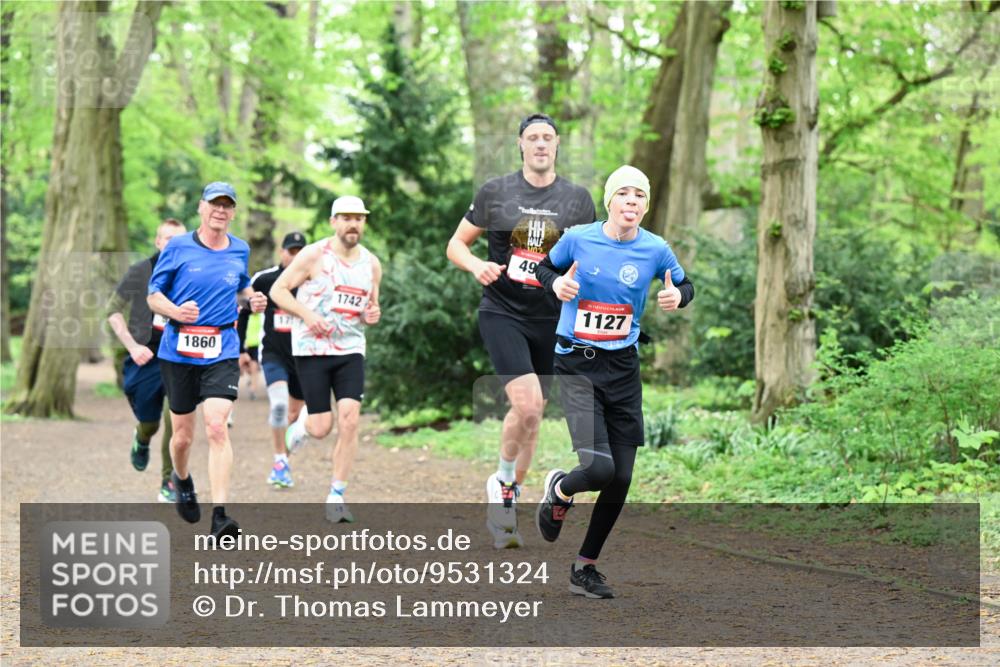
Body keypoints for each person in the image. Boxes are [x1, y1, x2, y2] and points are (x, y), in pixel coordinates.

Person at [532, 165, 695, 599]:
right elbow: (543, 270)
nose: (632, 201)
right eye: (623, 193)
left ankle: (584, 568)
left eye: (639, 195)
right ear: (610, 201)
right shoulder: (579, 238)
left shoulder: (656, 249)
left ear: (645, 205)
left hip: (623, 368)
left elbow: (685, 284)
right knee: (599, 469)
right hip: (577, 364)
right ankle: (560, 489)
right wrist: (558, 285)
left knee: (620, 477)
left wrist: (679, 295)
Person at [446, 112, 596, 548]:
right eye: (533, 137)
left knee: (532, 417)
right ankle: (504, 482)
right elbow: (456, 243)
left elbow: (586, 255)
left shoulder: (577, 199)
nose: (541, 144)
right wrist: (477, 265)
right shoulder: (496, 192)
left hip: (553, 316)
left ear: (557, 144)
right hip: (503, 311)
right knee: (528, 406)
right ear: (521, 145)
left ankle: (506, 501)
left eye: (548, 137)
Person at [147, 182, 267, 539]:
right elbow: (154, 296)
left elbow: (241, 285)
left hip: (222, 347)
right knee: (182, 438)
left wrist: (251, 299)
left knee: (216, 426)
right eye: (215, 204)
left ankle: (220, 515)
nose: (221, 210)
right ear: (201, 207)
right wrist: (176, 311)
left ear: (233, 212)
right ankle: (181, 479)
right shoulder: (178, 247)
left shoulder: (239, 249)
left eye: (227, 205)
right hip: (179, 351)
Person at [270, 196, 382, 523]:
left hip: (349, 349)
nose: (353, 224)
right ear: (333, 222)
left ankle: (336, 494)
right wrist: (306, 315)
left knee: (349, 419)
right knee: (322, 428)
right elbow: (279, 290)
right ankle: (303, 424)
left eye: (359, 218)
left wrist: (372, 314)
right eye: (346, 218)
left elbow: (370, 307)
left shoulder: (371, 264)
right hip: (312, 349)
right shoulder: (313, 255)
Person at [107, 218, 186, 502]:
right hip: (145, 357)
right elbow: (113, 311)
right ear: (158, 242)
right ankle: (142, 438)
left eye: (179, 240)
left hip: (179, 356)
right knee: (151, 422)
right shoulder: (140, 272)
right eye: (167, 239)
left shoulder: (191, 272)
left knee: (175, 420)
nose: (172, 245)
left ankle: (170, 480)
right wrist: (131, 347)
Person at [237, 231, 308, 489]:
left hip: (304, 356)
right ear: (282, 252)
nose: (295, 256)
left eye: (301, 251)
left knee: (295, 416)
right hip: (273, 354)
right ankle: (280, 460)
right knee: (278, 406)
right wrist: (241, 348)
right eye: (291, 251)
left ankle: (283, 462)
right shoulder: (265, 279)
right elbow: (243, 309)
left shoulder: (313, 281)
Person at [239, 311, 263, 400]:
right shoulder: (243, 314)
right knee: (242, 369)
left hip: (255, 344)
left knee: (254, 366)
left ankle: (253, 389)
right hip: (243, 344)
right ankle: (252, 380)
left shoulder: (261, 316)